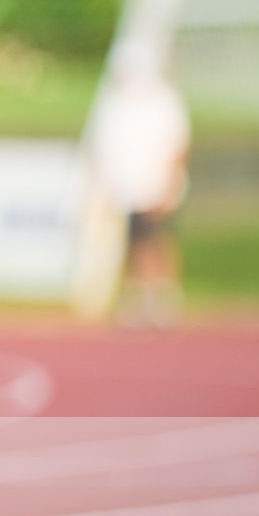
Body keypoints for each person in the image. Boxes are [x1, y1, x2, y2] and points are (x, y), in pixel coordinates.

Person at [87, 58, 191, 329]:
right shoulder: (116, 103)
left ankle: (164, 297)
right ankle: (137, 299)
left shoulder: (163, 100)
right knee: (134, 242)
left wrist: (168, 183)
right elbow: (106, 147)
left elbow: (179, 143)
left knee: (158, 240)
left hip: (155, 186)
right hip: (128, 187)